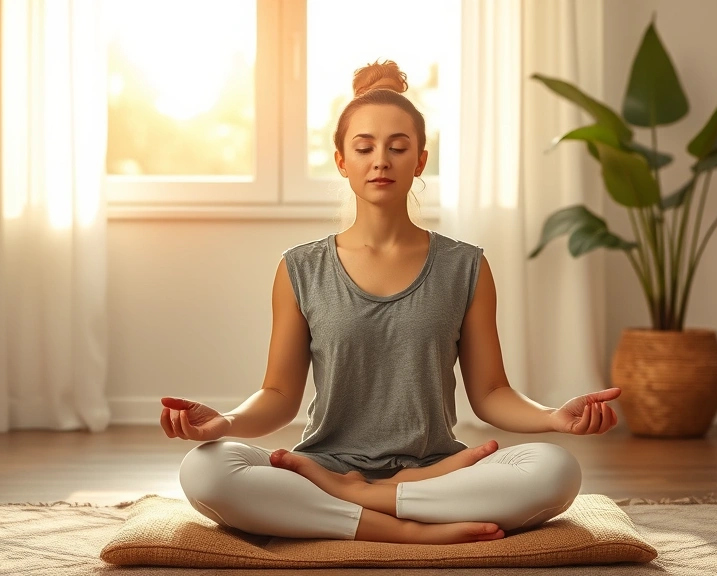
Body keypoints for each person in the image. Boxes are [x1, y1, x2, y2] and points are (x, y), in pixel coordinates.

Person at [159, 60, 621, 545]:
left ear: (420, 160)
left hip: (438, 469)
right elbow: (278, 396)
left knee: (555, 469)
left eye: (398, 148)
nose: (381, 160)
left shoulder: (466, 267)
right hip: (323, 463)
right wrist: (225, 422)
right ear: (342, 161)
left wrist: (553, 418)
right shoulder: (300, 269)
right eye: (364, 147)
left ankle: (363, 502)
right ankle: (405, 528)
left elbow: (490, 393)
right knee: (206, 470)